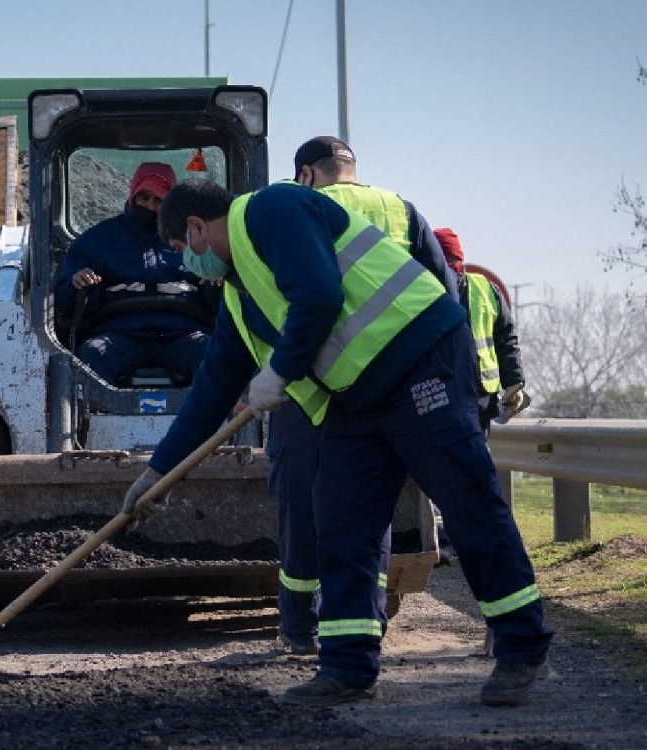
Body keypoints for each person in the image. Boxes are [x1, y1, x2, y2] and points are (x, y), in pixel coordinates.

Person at [122, 179, 553, 707]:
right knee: (343, 526)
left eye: (180, 251)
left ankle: (521, 648)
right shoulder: (240, 294)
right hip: (358, 397)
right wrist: (158, 475)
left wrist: (279, 370)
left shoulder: (272, 209)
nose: (188, 265)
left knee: (466, 499)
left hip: (420, 358)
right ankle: (348, 668)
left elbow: (320, 292)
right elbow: (211, 387)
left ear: (195, 228)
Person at [267, 136, 458, 654]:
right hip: (382, 387)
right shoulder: (400, 208)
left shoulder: (293, 210)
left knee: (301, 499)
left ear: (305, 174)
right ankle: (365, 623)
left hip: (310, 386)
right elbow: (444, 292)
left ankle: (299, 627)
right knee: (369, 509)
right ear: (352, 168)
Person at [53, 162, 218, 385]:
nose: (150, 206)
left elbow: (219, 304)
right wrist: (79, 285)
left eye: (159, 200)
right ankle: (93, 417)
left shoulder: (193, 240)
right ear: (132, 195)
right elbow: (65, 304)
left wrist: (215, 284)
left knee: (214, 353)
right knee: (92, 353)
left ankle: (214, 418)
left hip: (183, 334)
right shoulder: (97, 240)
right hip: (121, 336)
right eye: (144, 197)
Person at [434, 227, 528, 432]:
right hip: (467, 396)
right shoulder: (484, 288)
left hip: (462, 396)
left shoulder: (424, 290)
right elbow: (506, 339)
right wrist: (514, 382)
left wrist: (514, 382)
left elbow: (505, 338)